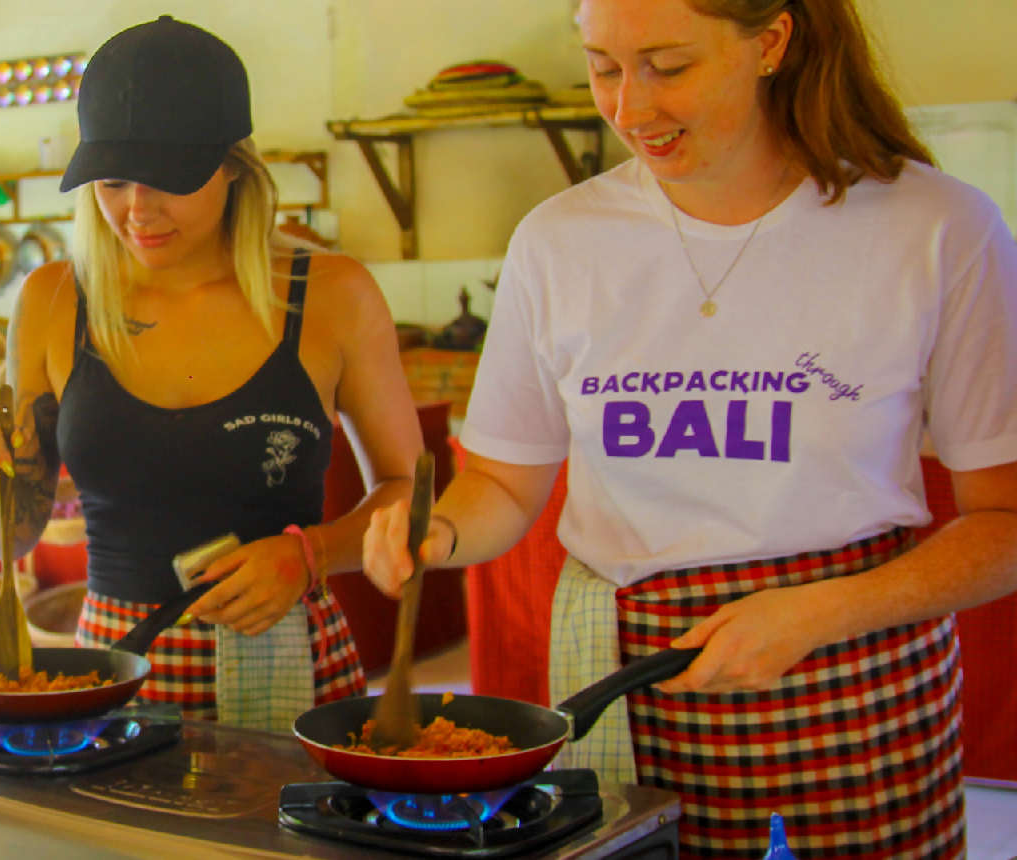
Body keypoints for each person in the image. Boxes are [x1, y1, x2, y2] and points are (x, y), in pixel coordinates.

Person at [361, 0, 1017, 856]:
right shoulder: (559, 242)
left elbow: (1004, 526)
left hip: (848, 675)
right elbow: (507, 485)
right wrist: (440, 531)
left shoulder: (935, 228)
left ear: (772, 41)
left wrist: (818, 614)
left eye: (668, 67)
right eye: (602, 67)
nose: (630, 108)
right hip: (623, 682)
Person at [0, 17, 424, 730]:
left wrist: (313, 554)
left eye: (169, 180)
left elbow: (411, 491)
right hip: (115, 664)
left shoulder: (329, 295)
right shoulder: (52, 301)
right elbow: (11, 539)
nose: (138, 211)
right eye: (112, 181)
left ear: (234, 164)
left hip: (286, 653)